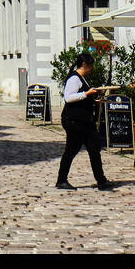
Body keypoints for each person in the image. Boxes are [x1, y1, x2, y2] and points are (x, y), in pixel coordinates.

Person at [55, 52, 112, 191]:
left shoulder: (82, 78)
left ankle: (101, 181)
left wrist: (94, 100)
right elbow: (69, 98)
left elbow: (83, 97)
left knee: (94, 149)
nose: (92, 68)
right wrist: (87, 94)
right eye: (91, 65)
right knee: (71, 150)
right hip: (74, 121)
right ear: (84, 64)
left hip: (85, 121)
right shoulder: (74, 78)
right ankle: (61, 180)